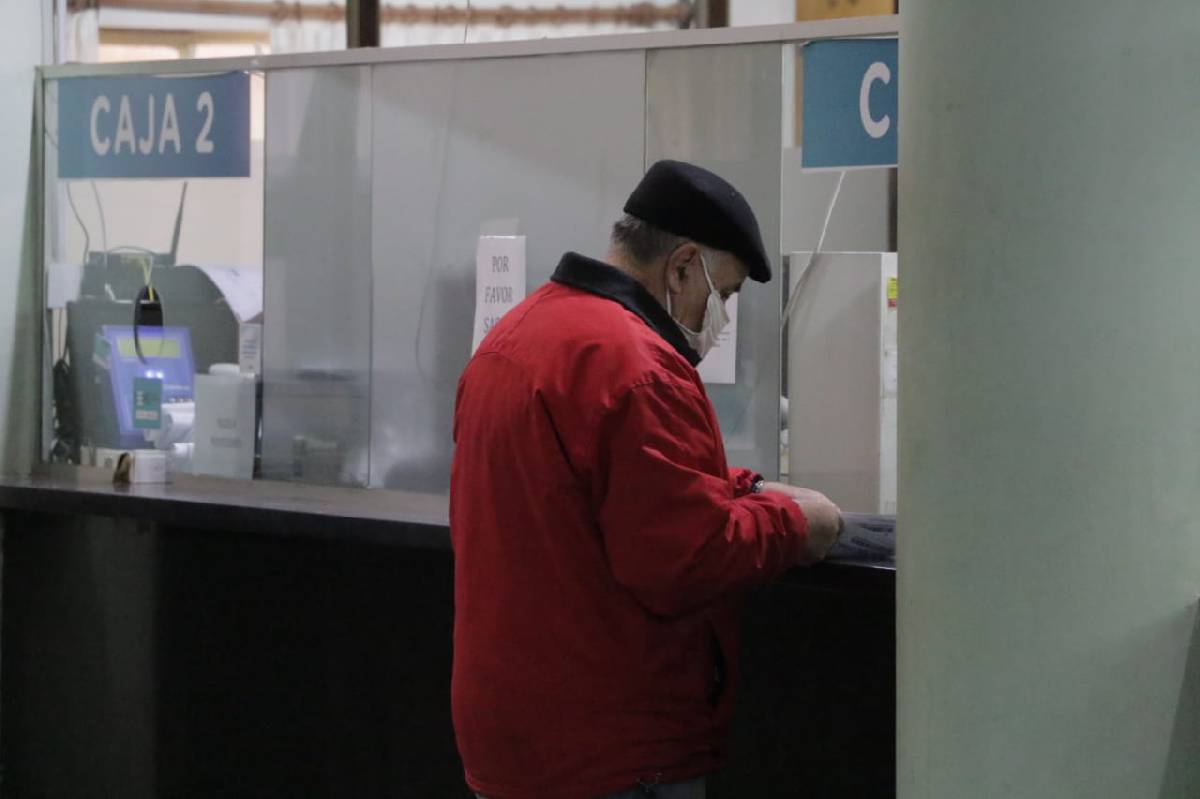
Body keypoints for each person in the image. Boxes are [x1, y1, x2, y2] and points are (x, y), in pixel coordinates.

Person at [450, 160, 843, 799]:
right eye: (728, 292)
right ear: (683, 266)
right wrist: (798, 523)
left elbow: (597, 487)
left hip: (511, 736)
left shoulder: (517, 336)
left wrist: (743, 488)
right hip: (613, 747)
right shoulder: (636, 365)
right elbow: (683, 560)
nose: (721, 318)